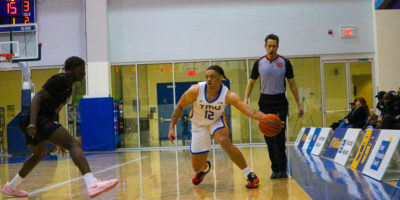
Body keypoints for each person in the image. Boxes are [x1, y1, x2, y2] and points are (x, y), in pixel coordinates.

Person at [1, 56, 118, 198]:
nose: (83, 73)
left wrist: (58, 139)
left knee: (40, 154)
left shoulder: (68, 87)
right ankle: (92, 183)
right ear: (71, 70)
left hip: (37, 119)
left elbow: (55, 111)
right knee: (73, 143)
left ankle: (12, 186)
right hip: (36, 118)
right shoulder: (60, 80)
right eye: (81, 70)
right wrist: (32, 122)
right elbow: (37, 97)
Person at [168, 65, 265, 189]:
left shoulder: (228, 95)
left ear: (220, 78)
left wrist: (266, 118)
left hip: (216, 121)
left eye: (212, 77)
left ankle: (249, 174)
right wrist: (171, 127)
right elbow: (179, 107)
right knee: (197, 167)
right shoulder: (195, 90)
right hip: (198, 124)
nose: (209, 79)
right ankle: (205, 168)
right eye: (207, 77)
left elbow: (248, 110)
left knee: (224, 141)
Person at [244, 34, 304, 179]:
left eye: (274, 46)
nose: (271, 49)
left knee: (279, 136)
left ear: (278, 46)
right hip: (265, 102)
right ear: (265, 46)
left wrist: (298, 104)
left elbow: (292, 84)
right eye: (269, 46)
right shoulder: (259, 63)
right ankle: (275, 169)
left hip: (280, 102)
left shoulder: (285, 62)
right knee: (269, 136)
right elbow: (251, 82)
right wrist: (245, 99)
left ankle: (283, 169)